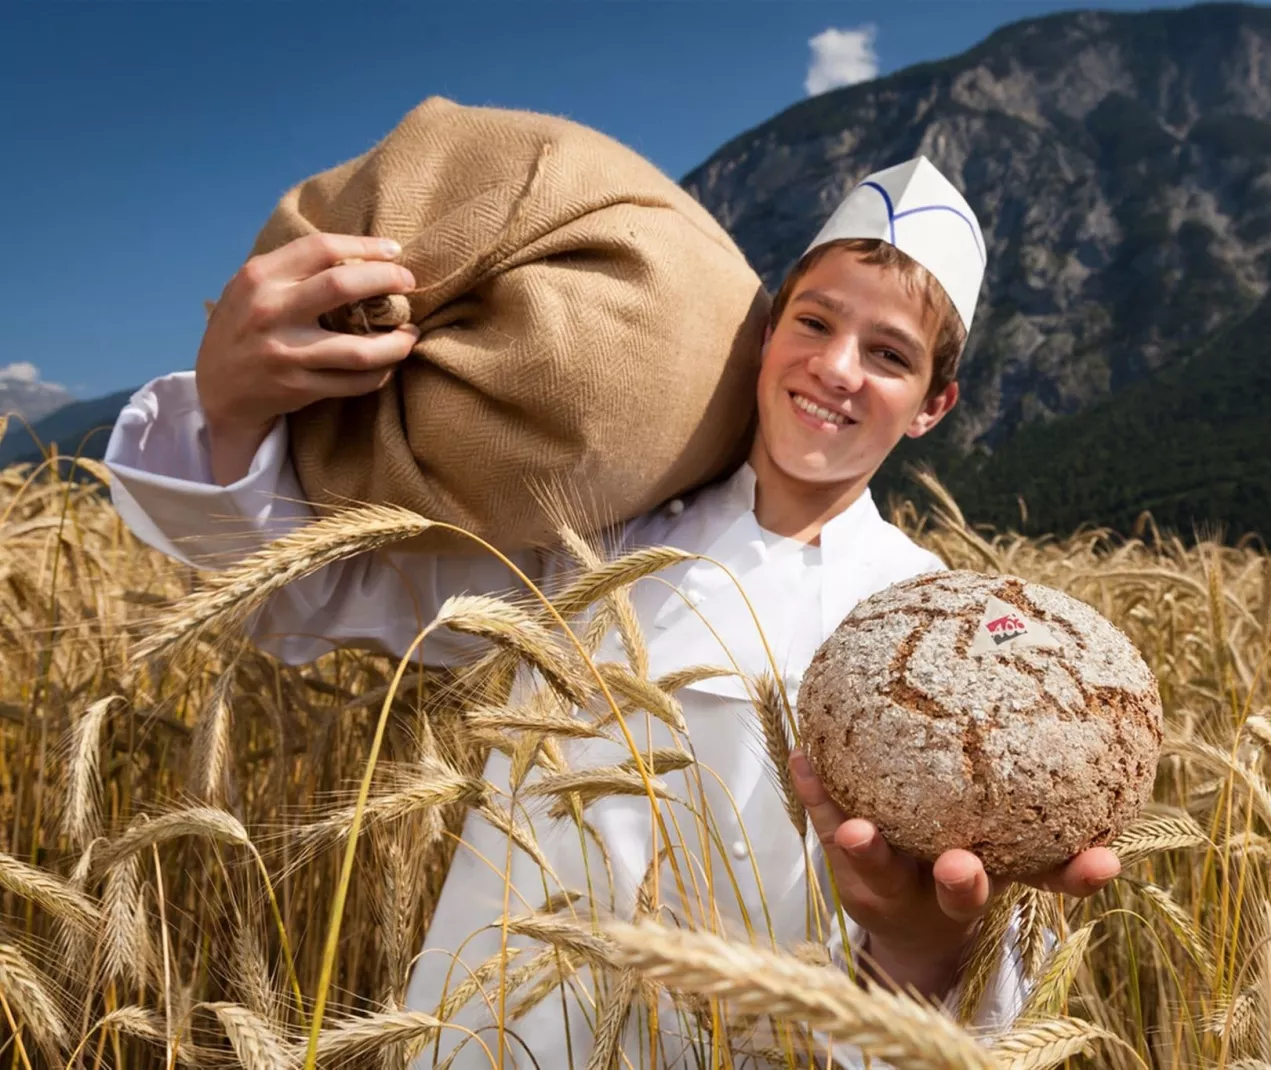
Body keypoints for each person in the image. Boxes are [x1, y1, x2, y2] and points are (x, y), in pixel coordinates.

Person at [105, 157, 1122, 1068]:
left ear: (933, 406)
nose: (836, 367)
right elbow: (305, 584)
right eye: (814, 321)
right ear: (769, 333)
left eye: (890, 355)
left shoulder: (944, 638)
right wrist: (229, 410)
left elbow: (977, 1001)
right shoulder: (584, 536)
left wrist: (921, 947)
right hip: (499, 1035)